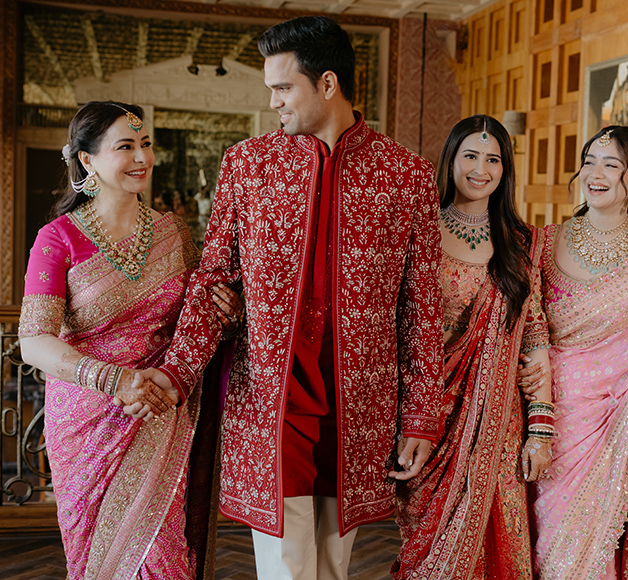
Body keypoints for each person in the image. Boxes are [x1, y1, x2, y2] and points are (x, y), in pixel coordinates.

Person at [132, 16, 444, 580]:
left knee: (332, 565)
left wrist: (421, 416)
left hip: (359, 407)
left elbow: (421, 308)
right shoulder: (248, 165)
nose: (273, 101)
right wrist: (177, 373)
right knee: (286, 567)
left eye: (282, 88)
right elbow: (213, 281)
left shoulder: (405, 175)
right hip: (272, 402)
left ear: (327, 84)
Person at [19, 101, 241, 580]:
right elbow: (33, 341)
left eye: (146, 144)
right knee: (98, 559)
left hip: (159, 411)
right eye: (125, 146)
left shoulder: (173, 233)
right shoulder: (57, 239)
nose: (142, 157)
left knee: (163, 555)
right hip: (88, 419)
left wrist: (227, 307)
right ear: (86, 161)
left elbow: (196, 318)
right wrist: (114, 380)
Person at [520, 125, 628, 579]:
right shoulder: (541, 243)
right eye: (589, 161)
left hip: (611, 424)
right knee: (533, 543)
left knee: (585, 553)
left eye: (611, 164)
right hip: (539, 414)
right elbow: (521, 328)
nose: (595, 173)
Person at [392, 115, 553, 579]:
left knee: (499, 538)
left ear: (505, 170)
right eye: (470, 155)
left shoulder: (521, 244)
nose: (481, 168)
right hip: (427, 414)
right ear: (450, 160)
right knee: (427, 545)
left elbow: (536, 335)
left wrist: (540, 429)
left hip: (498, 426)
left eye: (493, 159)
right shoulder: (420, 231)